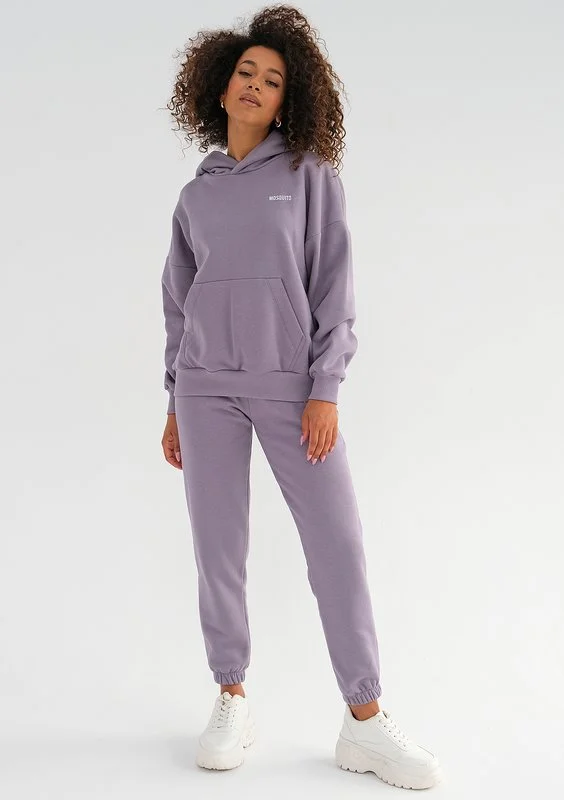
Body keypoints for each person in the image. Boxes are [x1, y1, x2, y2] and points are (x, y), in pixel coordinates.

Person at [159, 5, 443, 789]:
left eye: (274, 80)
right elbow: (178, 304)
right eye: (245, 73)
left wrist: (326, 388)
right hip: (206, 391)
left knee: (338, 546)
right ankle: (231, 695)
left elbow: (333, 288)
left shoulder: (310, 177)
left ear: (292, 99)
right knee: (218, 550)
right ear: (220, 88)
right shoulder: (195, 198)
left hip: (293, 391)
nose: (256, 85)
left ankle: (365, 719)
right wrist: (175, 399)